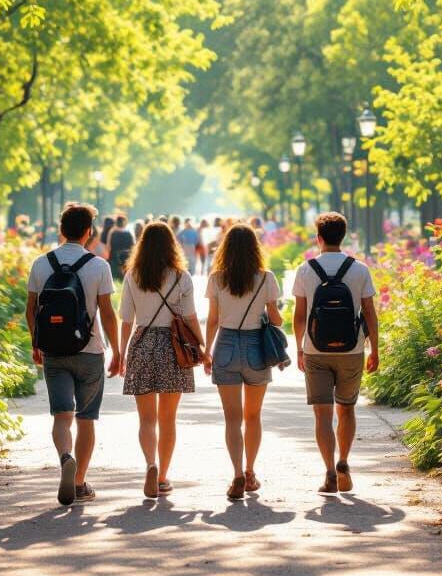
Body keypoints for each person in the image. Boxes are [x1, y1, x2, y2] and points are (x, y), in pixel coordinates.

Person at [26, 203, 121, 506]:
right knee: (87, 418)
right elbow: (107, 313)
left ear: (61, 229)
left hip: (54, 351)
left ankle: (65, 457)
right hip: (90, 351)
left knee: (62, 416)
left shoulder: (41, 264)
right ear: (88, 232)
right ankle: (79, 482)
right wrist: (117, 349)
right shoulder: (98, 266)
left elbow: (31, 309)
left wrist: (36, 343)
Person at [291, 211, 379, 495]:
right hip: (351, 349)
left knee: (322, 414)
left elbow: (299, 314)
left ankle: (329, 472)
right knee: (347, 408)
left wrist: (300, 348)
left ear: (319, 238)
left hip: (316, 349)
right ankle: (343, 462)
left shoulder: (306, 270)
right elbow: (369, 312)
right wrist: (374, 349)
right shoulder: (359, 269)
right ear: (342, 237)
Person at [119, 221, 205, 498]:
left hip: (143, 344)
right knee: (168, 418)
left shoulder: (133, 276)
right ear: (172, 245)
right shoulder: (182, 277)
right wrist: (202, 346)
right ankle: (164, 476)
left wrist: (121, 354)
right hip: (173, 347)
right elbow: (190, 317)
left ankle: (150, 464)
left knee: (146, 418)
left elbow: (126, 320)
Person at [205, 223, 282, 500]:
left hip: (225, 345)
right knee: (253, 416)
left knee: (232, 419)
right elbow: (275, 319)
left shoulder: (216, 279)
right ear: (255, 248)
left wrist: (207, 352)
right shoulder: (266, 277)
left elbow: (213, 320)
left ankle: (236, 473)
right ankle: (250, 472)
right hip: (255, 349)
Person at [107, 215, 135, 281]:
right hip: (126, 259)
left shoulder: (112, 232)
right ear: (124, 223)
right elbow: (133, 247)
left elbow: (108, 247)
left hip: (115, 259)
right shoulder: (129, 233)